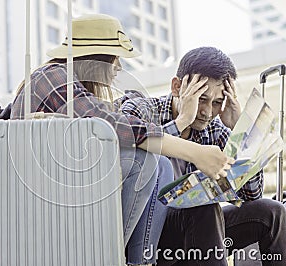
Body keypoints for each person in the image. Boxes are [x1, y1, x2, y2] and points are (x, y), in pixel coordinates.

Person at [10, 15, 234, 265]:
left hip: (62, 193)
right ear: (98, 58)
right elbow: (119, 128)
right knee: (150, 163)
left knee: (156, 164)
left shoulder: (66, 83)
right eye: (116, 59)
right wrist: (195, 151)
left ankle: (136, 261)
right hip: (46, 199)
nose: (118, 68)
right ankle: (129, 260)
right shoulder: (51, 78)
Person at [120, 46, 286, 265]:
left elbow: (251, 195)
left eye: (217, 103)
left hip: (201, 232)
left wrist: (241, 131)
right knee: (203, 207)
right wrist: (181, 123)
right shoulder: (140, 109)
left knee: (272, 212)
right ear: (177, 87)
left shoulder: (215, 130)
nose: (207, 112)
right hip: (152, 236)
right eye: (201, 99)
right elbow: (128, 153)